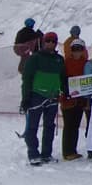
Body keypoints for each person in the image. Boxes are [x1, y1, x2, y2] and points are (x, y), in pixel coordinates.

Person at [21, 32, 67, 165]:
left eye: (53, 41)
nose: (51, 44)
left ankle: (46, 154)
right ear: (43, 42)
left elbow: (62, 77)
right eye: (48, 41)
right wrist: (25, 98)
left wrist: (66, 90)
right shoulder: (35, 58)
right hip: (36, 95)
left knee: (49, 126)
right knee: (32, 126)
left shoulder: (59, 59)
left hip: (53, 96)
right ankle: (33, 154)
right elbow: (27, 78)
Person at [59, 41, 89, 161]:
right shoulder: (66, 62)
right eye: (75, 49)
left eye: (79, 49)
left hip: (80, 100)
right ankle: (67, 151)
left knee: (75, 125)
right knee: (68, 125)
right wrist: (66, 92)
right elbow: (62, 79)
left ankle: (73, 150)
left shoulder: (85, 63)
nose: (77, 52)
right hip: (69, 99)